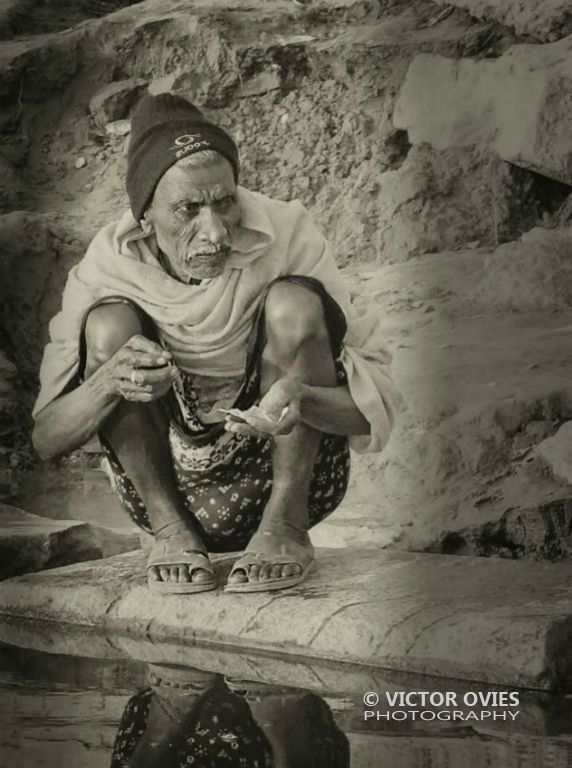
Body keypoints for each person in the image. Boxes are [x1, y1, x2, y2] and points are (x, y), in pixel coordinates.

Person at [31, 94, 400, 595]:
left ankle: (284, 529)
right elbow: (47, 439)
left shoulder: (287, 231)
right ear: (145, 218)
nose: (215, 232)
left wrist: (304, 397)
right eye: (188, 209)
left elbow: (371, 409)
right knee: (109, 327)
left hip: (291, 478)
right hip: (168, 490)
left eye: (224, 202)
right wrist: (108, 383)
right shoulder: (104, 268)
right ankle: (171, 532)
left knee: (295, 302)